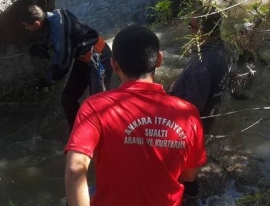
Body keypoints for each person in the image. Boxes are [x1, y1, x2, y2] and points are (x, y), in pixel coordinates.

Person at [64, 25, 206, 206]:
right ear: (160, 60)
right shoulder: (188, 113)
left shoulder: (95, 106)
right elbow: (189, 175)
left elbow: (75, 168)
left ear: (114, 65)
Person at [20, 5, 113, 128]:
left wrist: (44, 82)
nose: (26, 28)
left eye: (26, 25)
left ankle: (107, 136)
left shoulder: (60, 35)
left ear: (37, 24)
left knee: (99, 105)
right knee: (67, 98)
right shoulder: (58, 13)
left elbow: (62, 68)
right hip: (83, 58)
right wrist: (46, 48)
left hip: (99, 57)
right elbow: (71, 37)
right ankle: (76, 133)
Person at [169, 11, 228, 202]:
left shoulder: (202, 65)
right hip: (209, 116)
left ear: (203, 31)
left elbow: (192, 107)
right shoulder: (221, 49)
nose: (189, 30)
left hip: (190, 124)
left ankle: (189, 192)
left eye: (191, 26)